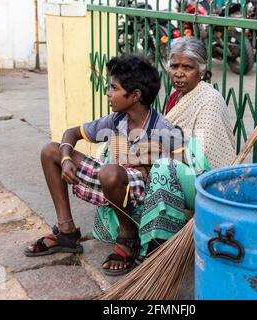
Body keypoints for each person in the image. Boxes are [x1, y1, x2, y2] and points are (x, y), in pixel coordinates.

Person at [24, 54, 185, 276]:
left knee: (110, 172)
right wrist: (66, 159)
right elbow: (71, 133)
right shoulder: (116, 120)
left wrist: (148, 164)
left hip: (144, 196)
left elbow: (183, 167)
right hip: (113, 182)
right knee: (51, 150)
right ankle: (67, 232)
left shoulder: (163, 127)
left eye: (114, 88)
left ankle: (128, 236)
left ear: (135, 95)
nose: (108, 93)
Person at [131, 36, 236, 261]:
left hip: (207, 182)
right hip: (183, 167)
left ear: (202, 71)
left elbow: (201, 160)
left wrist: (153, 155)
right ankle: (128, 233)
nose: (179, 73)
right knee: (121, 151)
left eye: (187, 67)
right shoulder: (176, 96)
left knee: (162, 167)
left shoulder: (209, 100)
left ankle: (159, 245)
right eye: (174, 66)